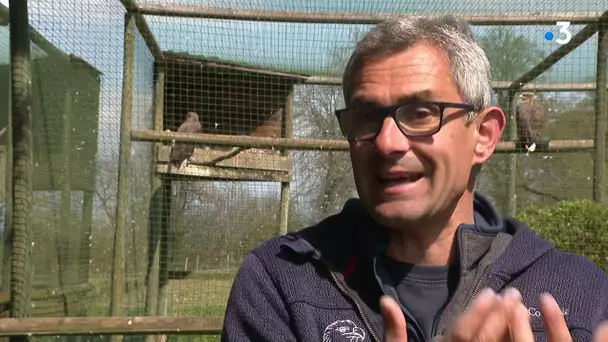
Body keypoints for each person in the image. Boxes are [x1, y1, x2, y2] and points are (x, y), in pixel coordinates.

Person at [221, 14, 608, 342]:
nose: (387, 142)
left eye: (421, 113)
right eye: (366, 116)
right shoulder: (281, 281)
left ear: (485, 136)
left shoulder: (580, 292)